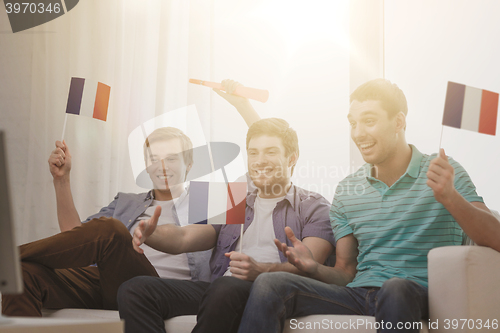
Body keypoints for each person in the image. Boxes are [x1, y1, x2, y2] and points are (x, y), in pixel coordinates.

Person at [236, 78, 500, 333]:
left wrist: (450, 198)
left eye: (369, 121)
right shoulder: (347, 190)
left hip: (416, 293)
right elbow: (346, 273)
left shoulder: (444, 171)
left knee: (395, 288)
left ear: (398, 121)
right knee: (270, 283)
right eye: (353, 123)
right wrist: (314, 268)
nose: (358, 133)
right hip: (358, 294)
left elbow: (495, 238)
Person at [117, 118, 336, 333]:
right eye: (253, 152)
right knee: (135, 289)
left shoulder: (314, 206)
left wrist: (261, 271)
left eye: (270, 152)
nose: (259, 160)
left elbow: (310, 268)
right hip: (220, 289)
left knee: (225, 288)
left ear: (291, 158)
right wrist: (152, 233)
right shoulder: (234, 197)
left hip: (270, 293)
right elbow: (184, 238)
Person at [1, 126, 215, 316]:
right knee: (22, 274)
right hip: (108, 282)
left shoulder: (203, 199)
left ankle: (6, 259)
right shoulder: (126, 202)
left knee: (112, 230)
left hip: (162, 291)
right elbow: (77, 238)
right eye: (153, 159)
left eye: (171, 158)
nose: (162, 166)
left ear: (188, 164)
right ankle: (10, 264)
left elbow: (187, 238)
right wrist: (61, 179)